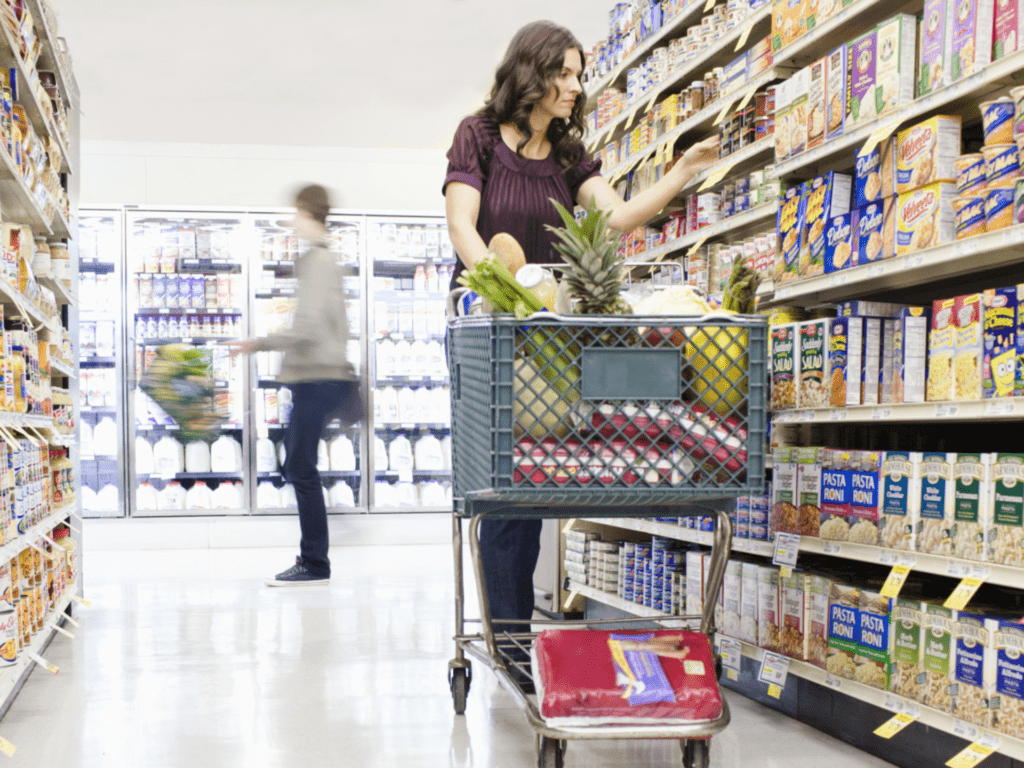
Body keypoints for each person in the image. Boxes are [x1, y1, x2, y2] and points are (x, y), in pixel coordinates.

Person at [443, 21, 719, 652]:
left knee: (538, 485)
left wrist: (680, 171)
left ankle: (515, 636)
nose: (574, 87)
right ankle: (509, 642)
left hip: (551, 339)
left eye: (578, 75)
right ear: (532, 73)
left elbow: (615, 217)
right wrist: (497, 288)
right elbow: (462, 222)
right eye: (563, 73)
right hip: (494, 333)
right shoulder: (479, 135)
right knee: (505, 495)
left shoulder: (569, 155)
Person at [231, 184, 360, 586]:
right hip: (322, 374)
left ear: (306, 212)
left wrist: (259, 343)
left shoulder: (318, 261)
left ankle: (314, 562)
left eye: (294, 214)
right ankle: (320, 547)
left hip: (317, 376)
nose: (291, 222)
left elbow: (307, 325)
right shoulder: (322, 259)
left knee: (299, 465)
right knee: (300, 464)